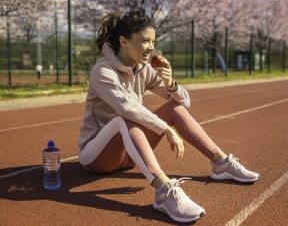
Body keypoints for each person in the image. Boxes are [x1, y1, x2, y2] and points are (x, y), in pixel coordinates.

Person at [77, 11, 260, 223]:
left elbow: (184, 103)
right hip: (97, 157)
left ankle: (221, 163)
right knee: (124, 119)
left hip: (128, 155)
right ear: (124, 41)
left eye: (153, 41)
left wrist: (171, 83)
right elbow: (126, 107)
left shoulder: (143, 69)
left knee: (174, 108)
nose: (151, 47)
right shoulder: (102, 71)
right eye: (145, 41)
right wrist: (165, 129)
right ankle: (164, 191)